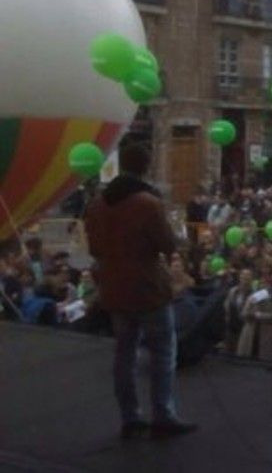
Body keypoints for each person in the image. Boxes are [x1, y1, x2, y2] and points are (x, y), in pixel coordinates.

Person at [84, 142, 196, 439]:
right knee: (163, 352)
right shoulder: (148, 203)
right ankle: (163, 414)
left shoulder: (96, 205)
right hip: (148, 289)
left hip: (114, 288)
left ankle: (130, 416)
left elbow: (94, 248)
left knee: (124, 354)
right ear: (146, 166)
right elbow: (167, 245)